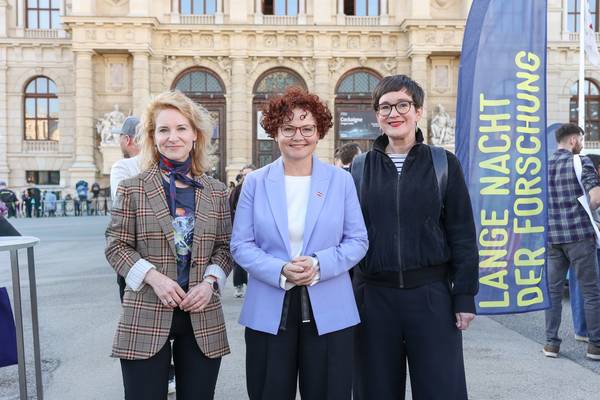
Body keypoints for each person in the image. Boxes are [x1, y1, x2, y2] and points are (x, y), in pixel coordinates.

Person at [231, 87, 368, 400]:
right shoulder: (255, 182)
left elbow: (358, 240)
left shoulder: (341, 181)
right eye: (288, 128)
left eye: (307, 128)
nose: (298, 136)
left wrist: (319, 264)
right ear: (275, 132)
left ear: (319, 132)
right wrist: (280, 269)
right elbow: (241, 244)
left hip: (331, 309)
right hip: (268, 309)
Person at [352, 75, 479, 400]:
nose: (394, 113)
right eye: (385, 107)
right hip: (373, 298)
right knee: (375, 391)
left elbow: (462, 233)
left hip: (431, 297)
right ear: (377, 115)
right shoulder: (360, 168)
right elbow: (348, 235)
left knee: (441, 390)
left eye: (402, 105)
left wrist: (464, 296)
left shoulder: (443, 163)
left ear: (418, 111)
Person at [105, 90, 233, 400]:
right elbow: (116, 245)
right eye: (163, 129)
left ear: (195, 135)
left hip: (201, 311)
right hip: (147, 308)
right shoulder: (133, 188)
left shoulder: (216, 191)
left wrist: (210, 283)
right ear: (152, 137)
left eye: (181, 128)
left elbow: (225, 247)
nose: (172, 137)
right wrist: (154, 277)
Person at [545, 123, 600, 361]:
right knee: (591, 292)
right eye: (581, 140)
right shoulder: (581, 161)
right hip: (580, 237)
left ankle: (551, 344)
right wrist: (589, 208)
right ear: (573, 140)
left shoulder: (544, 166)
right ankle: (595, 346)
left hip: (553, 238)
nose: (582, 145)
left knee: (553, 293)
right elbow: (596, 197)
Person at [569, 153, 600, 343]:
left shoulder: (574, 185)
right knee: (589, 289)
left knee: (580, 287)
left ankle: (582, 329)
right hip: (589, 243)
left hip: (575, 241)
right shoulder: (591, 187)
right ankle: (587, 331)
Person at [228, 164, 256, 298]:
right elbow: (230, 209)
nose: (246, 177)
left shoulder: (262, 188)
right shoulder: (237, 190)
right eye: (244, 174)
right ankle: (239, 285)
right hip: (240, 229)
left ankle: (256, 287)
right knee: (239, 259)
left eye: (250, 174)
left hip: (259, 229)